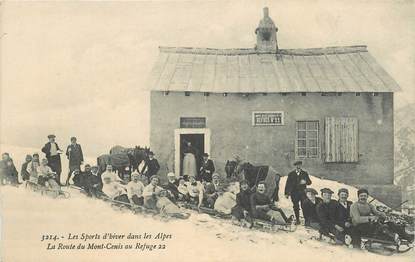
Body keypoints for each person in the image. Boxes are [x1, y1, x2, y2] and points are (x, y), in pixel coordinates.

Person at [284, 160, 312, 225]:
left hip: (303, 193)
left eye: (299, 165)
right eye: (297, 165)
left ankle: (306, 220)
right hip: (294, 193)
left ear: (301, 166)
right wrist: (286, 193)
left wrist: (305, 182)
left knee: (304, 206)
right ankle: (297, 220)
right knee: (296, 206)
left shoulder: (305, 173)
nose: (298, 166)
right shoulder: (291, 174)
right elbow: (288, 184)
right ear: (295, 166)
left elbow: (309, 182)